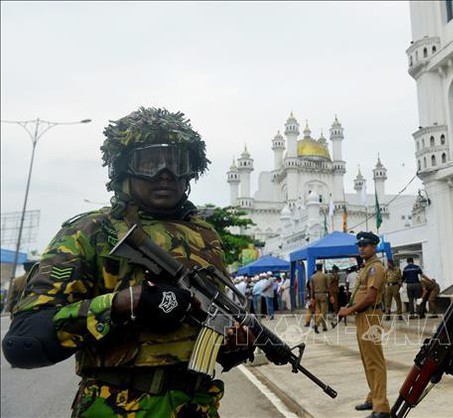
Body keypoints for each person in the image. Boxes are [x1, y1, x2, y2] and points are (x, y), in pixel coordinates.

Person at [1, 107, 264, 417]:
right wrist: (126, 303)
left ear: (190, 171)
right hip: (114, 407)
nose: (164, 173)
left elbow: (211, 339)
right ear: (124, 169)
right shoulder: (89, 232)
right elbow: (25, 342)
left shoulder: (205, 236)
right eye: (150, 162)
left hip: (197, 408)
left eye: (176, 163)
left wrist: (235, 342)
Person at [339, 232, 390, 418]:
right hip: (363, 316)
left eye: (366, 245)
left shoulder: (375, 268)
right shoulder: (366, 267)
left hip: (370, 317)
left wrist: (349, 311)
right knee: (367, 359)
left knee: (375, 361)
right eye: (359, 245)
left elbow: (370, 297)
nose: (361, 248)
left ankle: (381, 407)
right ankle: (373, 397)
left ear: (374, 246)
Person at [310, 263, 332, 333]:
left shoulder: (313, 277)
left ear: (316, 268)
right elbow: (328, 287)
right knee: (324, 312)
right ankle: (316, 324)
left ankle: (324, 327)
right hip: (323, 294)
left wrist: (312, 297)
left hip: (316, 295)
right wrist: (331, 295)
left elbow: (311, 289)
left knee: (319, 312)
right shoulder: (325, 276)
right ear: (322, 268)